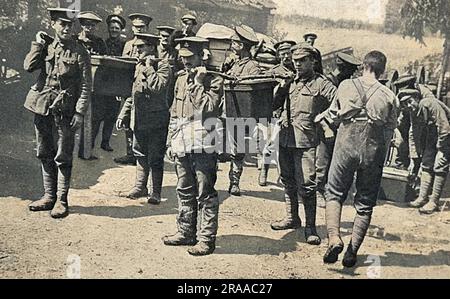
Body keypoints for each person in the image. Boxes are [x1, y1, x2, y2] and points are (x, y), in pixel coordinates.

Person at [323, 51, 398, 268]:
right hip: (373, 149)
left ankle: (334, 238)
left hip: (346, 143)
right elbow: (390, 129)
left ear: (363, 65)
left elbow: (332, 116)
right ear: (383, 70)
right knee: (365, 202)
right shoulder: (389, 95)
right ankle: (352, 252)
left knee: (334, 192)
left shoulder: (346, 85)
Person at [25, 7, 92, 218]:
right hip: (42, 105)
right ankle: (48, 196)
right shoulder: (45, 46)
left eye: (69, 24)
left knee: (62, 155)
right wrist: (37, 43)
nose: (66, 28)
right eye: (61, 24)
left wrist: (80, 113)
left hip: (65, 110)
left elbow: (85, 86)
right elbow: (28, 66)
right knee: (44, 151)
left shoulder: (80, 51)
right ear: (53, 24)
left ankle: (61, 200)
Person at [271, 44, 337, 246]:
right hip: (285, 139)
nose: (297, 64)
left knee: (307, 185)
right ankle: (292, 218)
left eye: (302, 61)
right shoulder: (289, 82)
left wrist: (323, 117)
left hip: (307, 142)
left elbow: (338, 104)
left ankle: (311, 227)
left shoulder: (322, 84)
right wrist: (281, 89)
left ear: (313, 61)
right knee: (287, 180)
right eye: (295, 60)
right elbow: (274, 105)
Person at [162, 37, 223, 256]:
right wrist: (170, 140)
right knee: (184, 189)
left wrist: (198, 83)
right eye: (183, 58)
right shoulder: (180, 79)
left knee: (205, 191)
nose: (185, 62)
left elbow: (207, 109)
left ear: (201, 57)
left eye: (190, 58)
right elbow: (175, 113)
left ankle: (206, 239)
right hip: (182, 140)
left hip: (204, 142)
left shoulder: (214, 81)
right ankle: (186, 232)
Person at [116, 33, 171, 204]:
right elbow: (133, 93)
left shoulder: (164, 66)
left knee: (155, 156)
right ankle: (140, 187)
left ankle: (155, 192)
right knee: (139, 153)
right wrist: (124, 113)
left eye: (141, 47)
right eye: (136, 46)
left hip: (156, 119)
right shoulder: (138, 66)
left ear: (151, 48)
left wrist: (149, 67)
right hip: (139, 118)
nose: (137, 49)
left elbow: (157, 87)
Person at [316, 52, 361, 206]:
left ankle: (331, 191)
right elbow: (317, 111)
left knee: (334, 162)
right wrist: (326, 128)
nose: (352, 75)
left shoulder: (344, 83)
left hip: (337, 128)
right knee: (322, 161)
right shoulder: (326, 83)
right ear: (343, 69)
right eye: (351, 71)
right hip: (324, 128)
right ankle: (317, 191)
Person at [223, 25, 262, 196]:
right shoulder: (233, 63)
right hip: (230, 110)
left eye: (235, 42)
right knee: (231, 147)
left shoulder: (252, 66)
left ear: (242, 45)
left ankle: (235, 181)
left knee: (238, 149)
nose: (232, 45)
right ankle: (230, 180)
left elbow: (252, 85)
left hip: (243, 113)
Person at [403, 86, 450, 214]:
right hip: (433, 134)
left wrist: (441, 148)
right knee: (426, 162)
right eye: (405, 103)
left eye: (410, 101)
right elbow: (414, 133)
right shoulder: (414, 110)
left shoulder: (429, 103)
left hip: (446, 134)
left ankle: (434, 202)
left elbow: (445, 127)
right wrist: (416, 156)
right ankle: (422, 198)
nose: (408, 105)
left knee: (440, 164)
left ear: (417, 98)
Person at [115, 13, 152, 166]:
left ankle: (144, 153)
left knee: (144, 121)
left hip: (145, 87)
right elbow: (123, 68)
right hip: (128, 87)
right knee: (127, 120)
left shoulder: (151, 43)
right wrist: (120, 89)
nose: (139, 30)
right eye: (136, 27)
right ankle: (130, 153)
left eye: (142, 27)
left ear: (147, 27)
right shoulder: (128, 44)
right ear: (132, 27)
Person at [259, 40, 297, 187]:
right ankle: (264, 170)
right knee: (270, 144)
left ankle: (286, 175)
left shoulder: (298, 71)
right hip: (277, 113)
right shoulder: (274, 72)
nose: (286, 57)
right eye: (283, 54)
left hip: (293, 114)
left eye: (289, 53)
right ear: (278, 55)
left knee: (288, 146)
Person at [90, 14, 127, 153]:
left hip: (116, 86)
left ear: (121, 30)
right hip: (101, 84)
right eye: (112, 28)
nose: (114, 30)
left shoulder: (124, 45)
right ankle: (91, 142)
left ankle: (105, 142)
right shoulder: (102, 43)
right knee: (96, 116)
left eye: (117, 28)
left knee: (111, 115)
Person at [76, 11, 107, 160]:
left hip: (96, 86)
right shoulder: (74, 40)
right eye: (87, 24)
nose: (90, 28)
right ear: (81, 25)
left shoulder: (100, 42)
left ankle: (86, 150)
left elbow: (106, 61)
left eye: (92, 25)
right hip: (76, 85)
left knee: (95, 117)